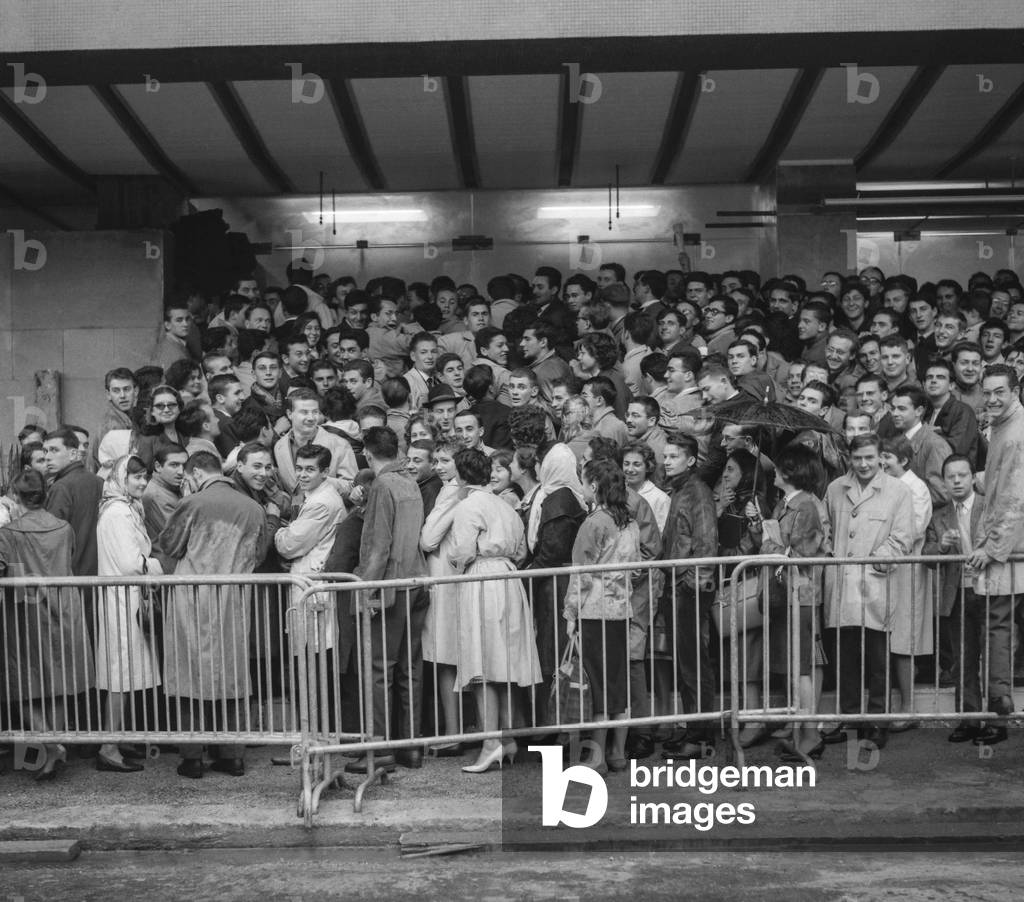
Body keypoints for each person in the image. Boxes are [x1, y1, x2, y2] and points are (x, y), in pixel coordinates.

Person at [159, 451, 271, 779]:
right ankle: (233, 755)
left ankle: (192, 757)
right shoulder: (254, 508)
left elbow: (169, 545)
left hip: (190, 600)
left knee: (187, 675)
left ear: (194, 474)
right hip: (234, 600)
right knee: (233, 675)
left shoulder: (192, 503)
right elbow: (260, 554)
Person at [447, 448, 542, 773]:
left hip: (482, 578)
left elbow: (461, 551)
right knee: (501, 661)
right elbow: (520, 549)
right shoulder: (505, 505)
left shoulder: (467, 506)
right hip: (508, 579)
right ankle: (508, 738)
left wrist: (460, 561)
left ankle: (490, 742)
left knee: (483, 663)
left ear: (460, 476)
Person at [0, 470, 94, 779]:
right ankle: (54, 743)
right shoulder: (63, 528)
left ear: (16, 496)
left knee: (22, 685)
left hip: (25, 611)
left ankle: (49, 742)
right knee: (58, 684)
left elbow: (5, 570)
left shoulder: (9, 533)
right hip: (64, 607)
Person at [823, 433, 914, 750]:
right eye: (857, 457)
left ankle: (877, 722)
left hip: (874, 584)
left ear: (880, 457)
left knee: (877, 659)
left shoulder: (898, 492)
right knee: (845, 658)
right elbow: (825, 529)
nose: (863, 464)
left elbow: (903, 537)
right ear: (850, 457)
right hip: (841, 584)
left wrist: (878, 559)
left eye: (869, 458)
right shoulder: (835, 488)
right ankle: (850, 717)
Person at [346, 427, 426, 772]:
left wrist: (365, 589)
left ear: (367, 453)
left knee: (379, 670)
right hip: (416, 580)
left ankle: (379, 750)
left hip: (389, 586)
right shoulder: (410, 482)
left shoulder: (382, 485)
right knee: (410, 668)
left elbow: (379, 547)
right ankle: (409, 747)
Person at [745, 443, 830, 762]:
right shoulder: (787, 503)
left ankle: (809, 735)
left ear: (790, 472)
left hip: (801, 590)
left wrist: (767, 541)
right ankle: (804, 733)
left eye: (780, 468)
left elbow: (799, 552)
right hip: (788, 590)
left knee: (801, 668)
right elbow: (777, 546)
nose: (774, 472)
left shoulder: (805, 506)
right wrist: (758, 526)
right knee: (796, 667)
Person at [564, 459, 641, 774]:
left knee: (596, 682)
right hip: (621, 608)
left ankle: (595, 756)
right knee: (617, 681)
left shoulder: (593, 523)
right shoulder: (630, 523)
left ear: (594, 486)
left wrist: (570, 612)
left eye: (584, 483)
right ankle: (617, 753)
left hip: (594, 610)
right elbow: (637, 568)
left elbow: (579, 573)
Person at [964, 364, 1024, 744]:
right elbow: (1003, 482)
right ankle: (998, 711)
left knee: (998, 630)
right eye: (986, 393)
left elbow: (1015, 496)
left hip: (1010, 548)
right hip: (1011, 545)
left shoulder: (1015, 432)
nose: (992, 399)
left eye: (999, 391)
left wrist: (991, 547)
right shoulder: (1003, 426)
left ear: (1015, 389)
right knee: (998, 629)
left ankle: (999, 716)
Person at [94, 455, 164, 773]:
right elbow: (129, 564)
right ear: (122, 477)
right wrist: (158, 566)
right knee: (121, 672)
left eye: (144, 477)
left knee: (125, 671)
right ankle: (109, 745)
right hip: (123, 598)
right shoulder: (119, 512)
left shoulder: (125, 508)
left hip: (126, 597)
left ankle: (117, 739)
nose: (141, 482)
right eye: (135, 476)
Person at [660, 432, 719, 758]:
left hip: (689, 586)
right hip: (678, 584)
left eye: (673, 456)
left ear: (691, 460)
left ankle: (700, 735)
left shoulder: (697, 491)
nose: (666, 461)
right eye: (665, 456)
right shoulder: (681, 489)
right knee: (686, 662)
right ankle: (693, 726)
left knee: (695, 662)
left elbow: (706, 540)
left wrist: (695, 583)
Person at [521, 443, 587, 720]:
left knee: (553, 653)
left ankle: (551, 722)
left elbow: (552, 550)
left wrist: (525, 579)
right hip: (555, 582)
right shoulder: (563, 494)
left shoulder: (559, 498)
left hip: (555, 586)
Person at [922, 454, 985, 742]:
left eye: (962, 475)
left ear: (973, 477)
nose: (957, 481)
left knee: (997, 655)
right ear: (944, 482)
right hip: (957, 593)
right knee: (964, 658)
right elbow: (926, 556)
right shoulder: (938, 516)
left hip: (990, 590)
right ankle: (970, 719)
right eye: (951, 477)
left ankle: (999, 718)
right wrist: (943, 548)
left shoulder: (989, 506)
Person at [879, 435, 934, 730]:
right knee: (891, 639)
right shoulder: (889, 485)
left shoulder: (917, 488)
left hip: (907, 571)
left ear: (903, 460)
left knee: (905, 640)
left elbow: (911, 530)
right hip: (889, 571)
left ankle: (909, 708)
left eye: (887, 456)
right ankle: (892, 706)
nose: (882, 462)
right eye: (882, 455)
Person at [419, 438, 468, 756]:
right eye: (435, 460)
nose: (438, 466)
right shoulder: (462, 488)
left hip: (445, 578)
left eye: (445, 460)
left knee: (446, 658)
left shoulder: (452, 490)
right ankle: (456, 730)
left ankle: (453, 732)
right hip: (453, 578)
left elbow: (428, 539)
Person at [43, 427, 103, 576]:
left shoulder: (61, 487)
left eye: (54, 450)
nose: (48, 457)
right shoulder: (99, 481)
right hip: (99, 576)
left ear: (73, 454)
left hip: (71, 578)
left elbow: (51, 540)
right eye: (45, 451)